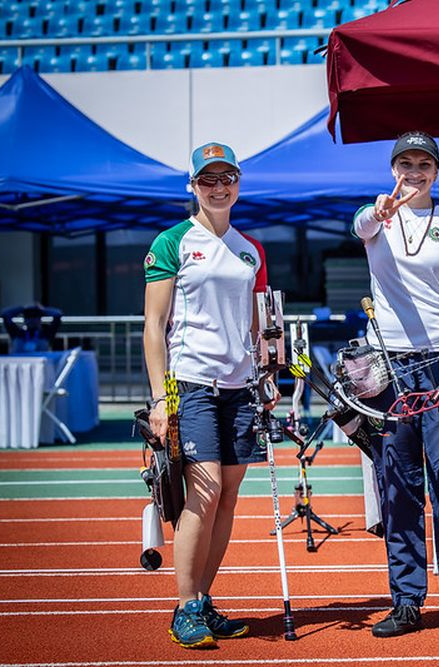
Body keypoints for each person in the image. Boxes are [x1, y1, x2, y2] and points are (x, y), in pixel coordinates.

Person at [352, 131, 439, 638]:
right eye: (405, 162)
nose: (414, 171)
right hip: (387, 370)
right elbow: (360, 225)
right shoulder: (376, 217)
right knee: (397, 487)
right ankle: (406, 598)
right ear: (392, 169)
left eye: (423, 163)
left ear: (436, 171)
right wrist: (378, 212)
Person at [143, 142, 268, 649]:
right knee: (206, 490)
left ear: (238, 183)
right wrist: (159, 397)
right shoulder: (173, 241)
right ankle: (184, 605)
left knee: (229, 496)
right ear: (192, 186)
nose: (219, 188)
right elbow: (154, 326)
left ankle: (204, 600)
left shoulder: (250, 249)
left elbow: (259, 324)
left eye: (227, 178)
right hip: (191, 385)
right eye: (208, 180)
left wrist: (268, 373)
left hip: (241, 388)